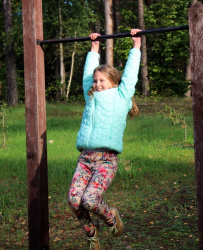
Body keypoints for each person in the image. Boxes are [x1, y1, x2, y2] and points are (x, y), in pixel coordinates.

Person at [68, 29, 141, 250]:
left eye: (102, 80)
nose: (97, 84)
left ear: (113, 82)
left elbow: (130, 74)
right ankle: (91, 233)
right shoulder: (90, 97)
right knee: (74, 200)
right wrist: (94, 48)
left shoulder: (122, 96)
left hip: (106, 161)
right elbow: (86, 77)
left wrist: (136, 46)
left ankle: (111, 218)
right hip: (85, 159)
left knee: (90, 200)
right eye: (95, 80)